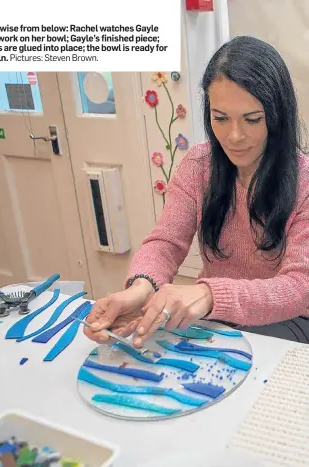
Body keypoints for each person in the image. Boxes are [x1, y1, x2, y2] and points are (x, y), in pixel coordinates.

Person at [84, 35, 309, 346]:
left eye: (252, 119)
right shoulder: (199, 164)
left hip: (289, 322)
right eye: (220, 118)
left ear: (277, 115)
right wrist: (140, 290)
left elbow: (299, 287)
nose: (234, 136)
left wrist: (207, 294)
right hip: (219, 314)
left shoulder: (305, 181)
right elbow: (165, 243)